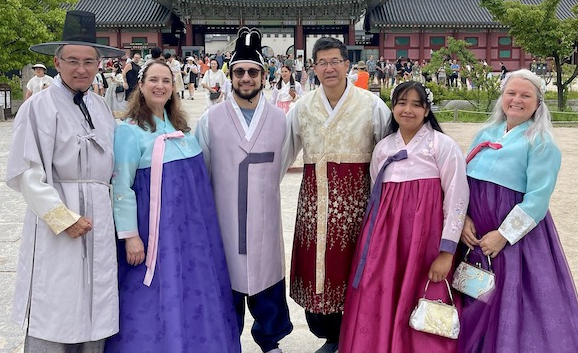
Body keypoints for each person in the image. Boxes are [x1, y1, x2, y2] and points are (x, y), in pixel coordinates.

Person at [6, 10, 125, 352]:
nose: (81, 69)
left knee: (96, 297)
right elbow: (26, 172)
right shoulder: (38, 107)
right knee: (56, 298)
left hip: (99, 216)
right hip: (58, 215)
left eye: (89, 61)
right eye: (73, 60)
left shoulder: (101, 107)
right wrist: (61, 217)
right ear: (57, 62)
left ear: (99, 64)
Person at [105, 59, 240, 352]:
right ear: (140, 86)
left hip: (191, 235)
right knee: (153, 295)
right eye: (153, 80)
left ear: (173, 87)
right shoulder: (129, 132)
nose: (160, 86)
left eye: (166, 81)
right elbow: (121, 187)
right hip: (154, 236)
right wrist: (130, 236)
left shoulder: (182, 130)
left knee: (193, 290)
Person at [459, 69, 578, 352]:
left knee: (514, 304)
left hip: (516, 243)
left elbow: (537, 200)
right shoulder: (484, 134)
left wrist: (504, 234)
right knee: (474, 297)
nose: (517, 100)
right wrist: (464, 218)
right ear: (502, 97)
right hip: (477, 238)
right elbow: (465, 182)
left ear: (538, 102)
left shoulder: (540, 143)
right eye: (511, 93)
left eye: (525, 95)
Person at [340, 81, 469, 352]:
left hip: (426, 239)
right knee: (379, 293)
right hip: (385, 241)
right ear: (392, 106)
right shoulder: (384, 148)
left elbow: (457, 198)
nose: (407, 109)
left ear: (426, 109)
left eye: (415, 104)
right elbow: (378, 192)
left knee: (423, 295)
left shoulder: (441, 145)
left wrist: (447, 251)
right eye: (401, 102)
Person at [283, 36, 391, 353]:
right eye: (322, 62)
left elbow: (391, 153)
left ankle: (356, 337)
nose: (329, 68)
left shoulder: (371, 105)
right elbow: (281, 154)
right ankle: (331, 336)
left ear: (347, 65)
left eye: (335, 61)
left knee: (357, 267)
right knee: (318, 275)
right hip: (313, 206)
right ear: (313, 68)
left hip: (358, 206)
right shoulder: (302, 108)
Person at [196, 27, 293, 353]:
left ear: (263, 76)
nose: (246, 78)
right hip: (226, 219)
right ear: (231, 76)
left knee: (267, 276)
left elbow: (282, 163)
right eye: (239, 72)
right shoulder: (211, 120)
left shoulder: (281, 121)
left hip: (265, 218)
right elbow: (204, 171)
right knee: (227, 281)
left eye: (253, 72)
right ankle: (226, 341)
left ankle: (270, 340)